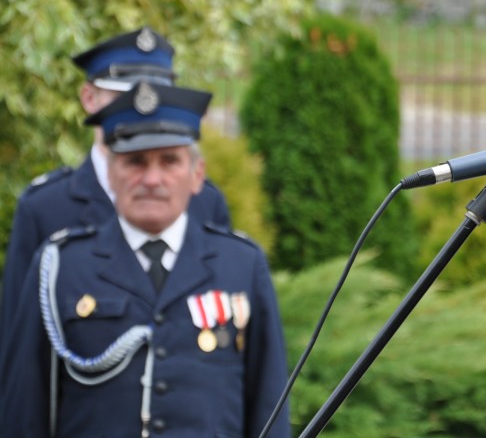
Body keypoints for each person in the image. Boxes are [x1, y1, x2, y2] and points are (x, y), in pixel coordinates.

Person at [0, 81, 289, 436]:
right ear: (110, 172)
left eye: (169, 161)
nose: (152, 179)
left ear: (197, 175)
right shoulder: (60, 267)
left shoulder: (242, 265)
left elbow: (269, 403)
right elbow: (23, 411)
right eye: (135, 161)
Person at [0, 27, 231, 354]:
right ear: (89, 99)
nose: (140, 111)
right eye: (125, 97)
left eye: (154, 97)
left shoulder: (204, 201)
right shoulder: (45, 208)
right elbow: (18, 346)